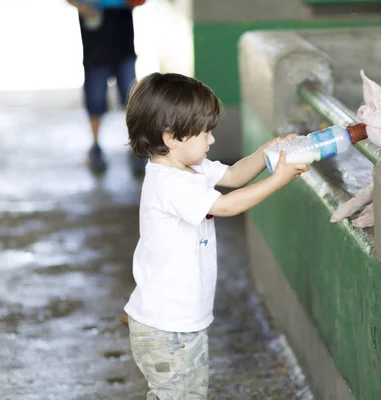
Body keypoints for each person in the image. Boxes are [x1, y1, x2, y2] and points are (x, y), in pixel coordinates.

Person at [123, 72, 310, 398]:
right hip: (168, 328)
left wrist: (268, 153)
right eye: (204, 133)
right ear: (172, 138)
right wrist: (279, 180)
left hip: (181, 322)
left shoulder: (191, 168)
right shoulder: (170, 183)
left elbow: (236, 176)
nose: (211, 140)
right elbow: (226, 206)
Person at [66, 0, 146, 175]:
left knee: (131, 98)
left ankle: (136, 147)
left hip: (123, 41)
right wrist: (84, 8)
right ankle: (95, 147)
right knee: (95, 100)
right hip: (95, 47)